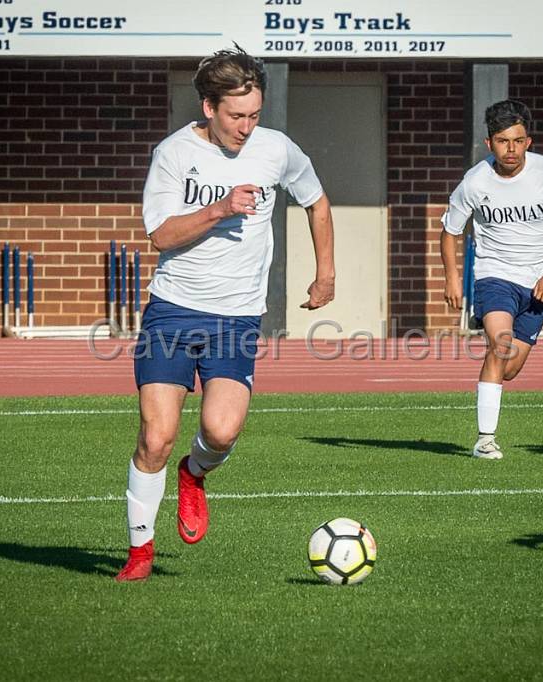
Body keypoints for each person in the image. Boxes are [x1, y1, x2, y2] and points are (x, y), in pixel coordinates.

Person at [116, 46, 335, 581]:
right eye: (237, 116)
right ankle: (140, 553)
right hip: (173, 310)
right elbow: (161, 235)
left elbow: (317, 202)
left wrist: (325, 272)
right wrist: (219, 208)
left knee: (220, 431)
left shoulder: (277, 150)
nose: (247, 126)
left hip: (236, 318)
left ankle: (195, 475)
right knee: (155, 436)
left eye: (255, 114)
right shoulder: (173, 154)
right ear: (208, 107)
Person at [440, 100, 543, 459]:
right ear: (490, 144)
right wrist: (453, 278)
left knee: (510, 367)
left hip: (538, 284)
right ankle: (485, 440)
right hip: (494, 276)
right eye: (503, 141)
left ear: (528, 141)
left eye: (518, 141)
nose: (512, 149)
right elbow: (450, 231)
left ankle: (491, 379)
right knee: (500, 345)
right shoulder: (474, 182)